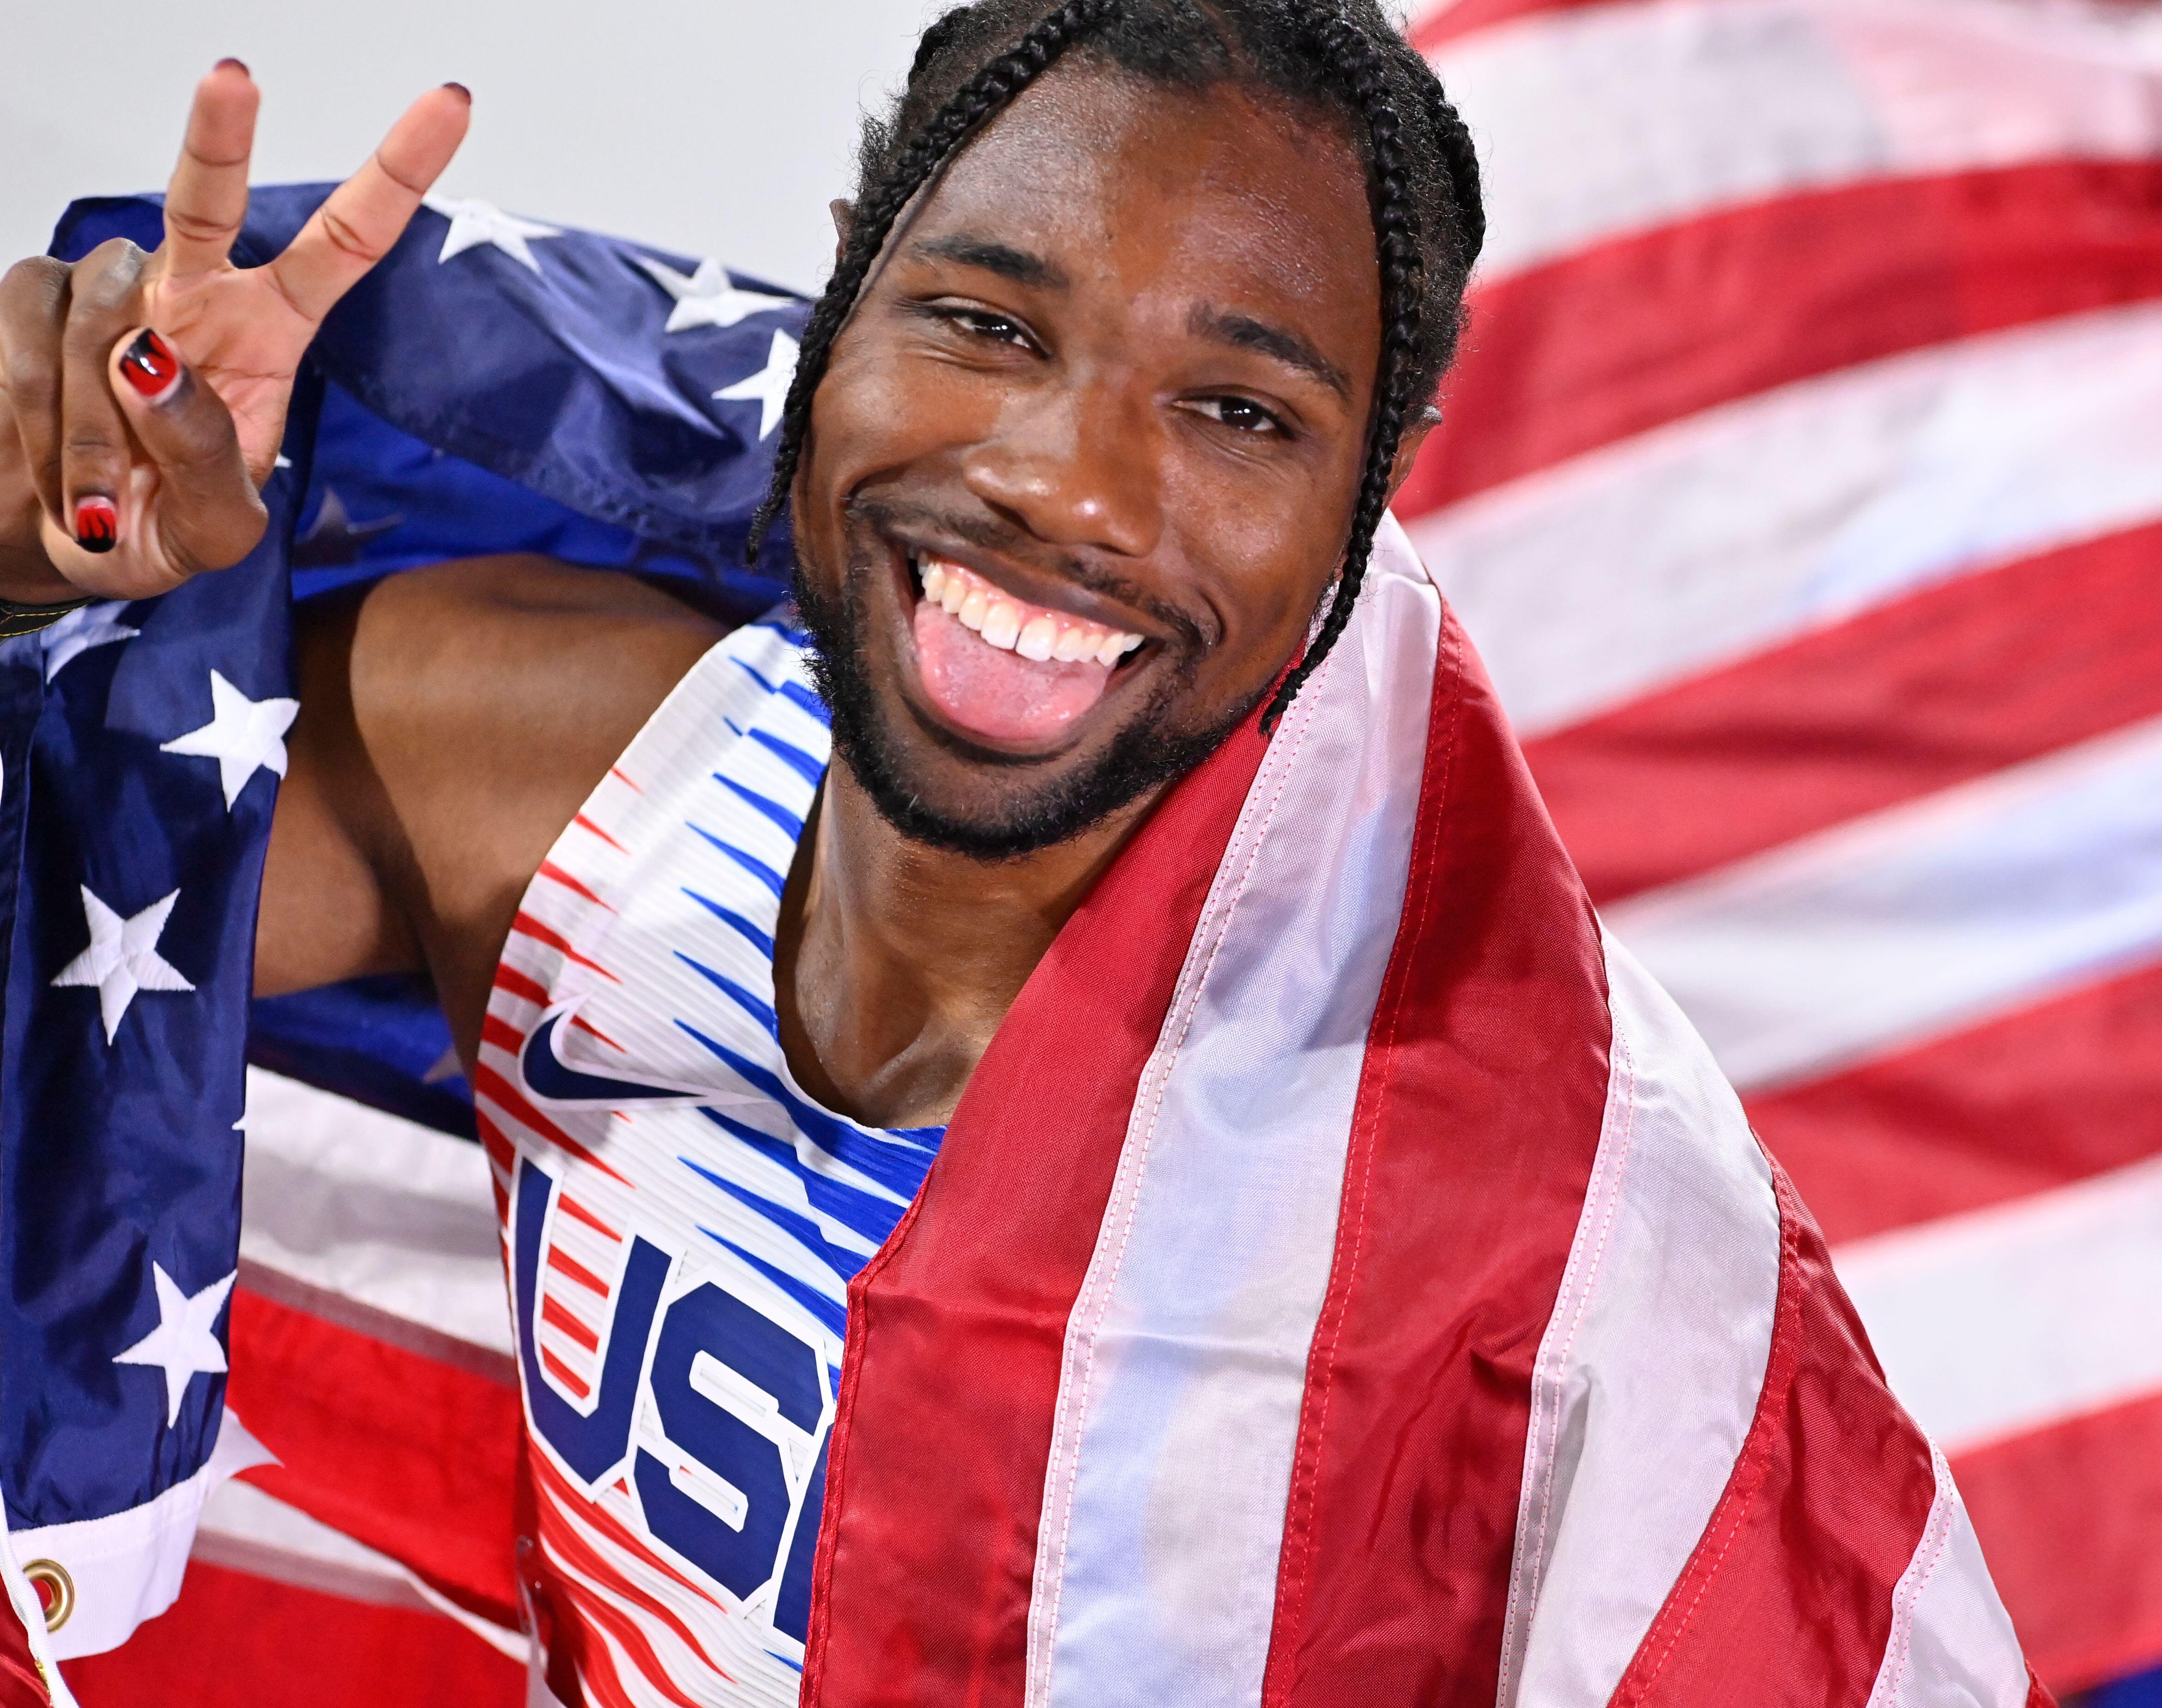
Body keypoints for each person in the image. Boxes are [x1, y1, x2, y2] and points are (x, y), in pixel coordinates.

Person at [0, 4, 2049, 1704]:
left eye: (1241, 415)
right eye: (985, 323)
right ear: (839, 300)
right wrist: (31, 572)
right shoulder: (559, 783)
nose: (1071, 483)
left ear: (1373, 503)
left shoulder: (1546, 1233)